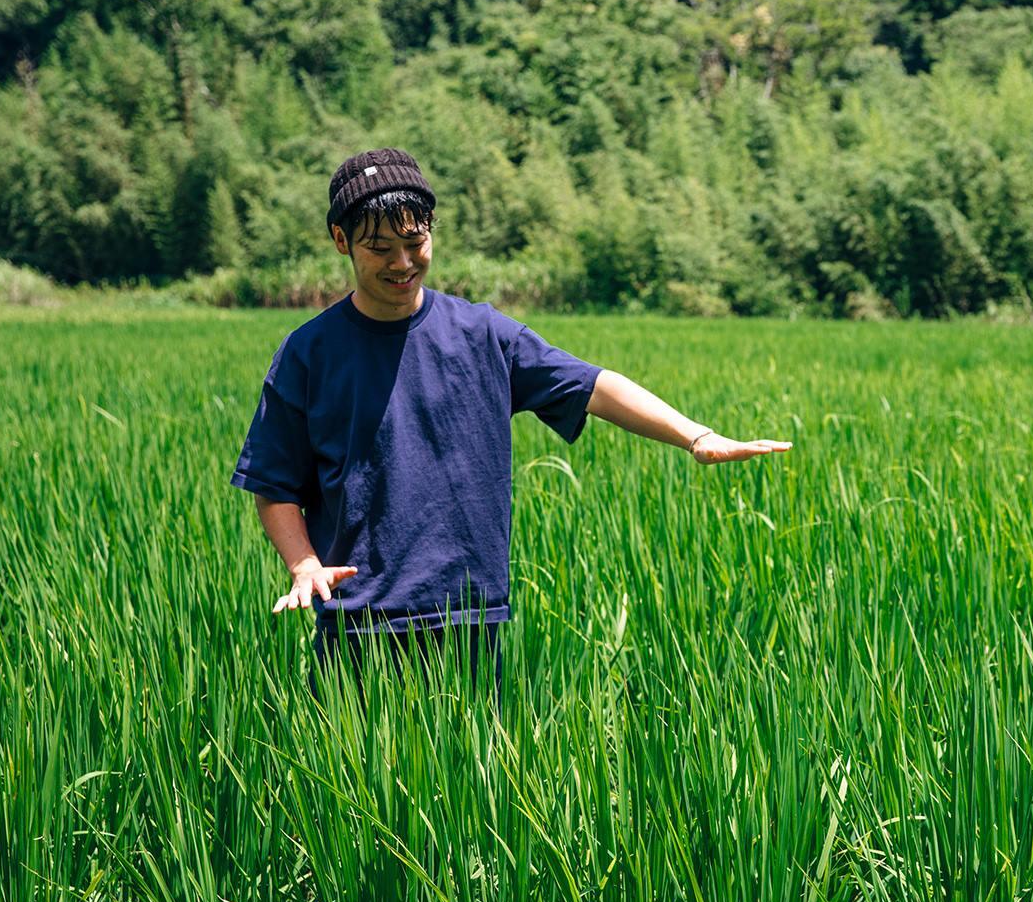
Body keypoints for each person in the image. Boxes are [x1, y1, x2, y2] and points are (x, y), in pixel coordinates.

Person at [231, 147, 791, 698]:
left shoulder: (481, 335)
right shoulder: (309, 353)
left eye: (415, 242)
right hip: (359, 619)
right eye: (380, 248)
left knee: (472, 784)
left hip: (471, 615)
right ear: (341, 241)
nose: (402, 263)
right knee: (355, 781)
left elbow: (592, 385)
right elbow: (275, 484)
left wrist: (694, 435)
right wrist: (304, 564)